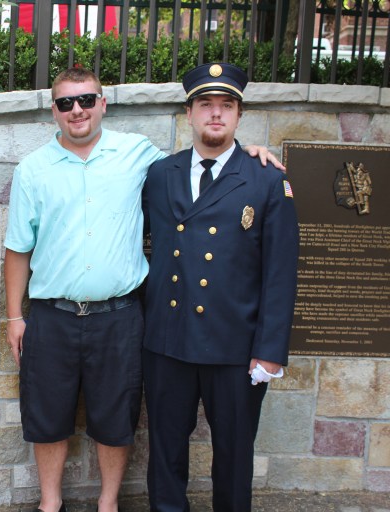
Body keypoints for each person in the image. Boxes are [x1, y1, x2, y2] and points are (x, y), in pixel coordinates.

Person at [4, 66, 281, 512]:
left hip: (123, 316)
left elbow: (210, 168)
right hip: (56, 313)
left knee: (116, 420)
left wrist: (249, 156)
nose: (77, 110)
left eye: (87, 100)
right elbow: (17, 247)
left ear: (103, 103)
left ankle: (109, 504)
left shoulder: (139, 156)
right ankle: (49, 504)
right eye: (65, 103)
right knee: (48, 418)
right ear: (53, 110)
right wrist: (15, 316)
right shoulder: (35, 169)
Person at [142, 63, 299, 512]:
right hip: (168, 342)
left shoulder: (266, 178)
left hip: (235, 347)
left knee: (233, 456)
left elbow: (281, 273)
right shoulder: (159, 175)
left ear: (239, 115)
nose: (216, 114)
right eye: (206, 105)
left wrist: (270, 351)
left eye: (226, 105)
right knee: (165, 452)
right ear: (188, 113)